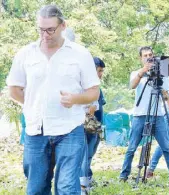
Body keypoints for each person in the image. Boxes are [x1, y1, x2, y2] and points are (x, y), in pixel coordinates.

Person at [6, 5, 100, 195]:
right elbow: (14, 89)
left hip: (70, 129)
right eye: (41, 29)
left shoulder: (80, 54)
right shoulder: (25, 53)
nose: (45, 35)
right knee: (36, 189)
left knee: (66, 187)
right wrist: (35, 104)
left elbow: (93, 93)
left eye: (50, 29)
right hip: (35, 131)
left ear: (63, 26)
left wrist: (75, 99)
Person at [119, 46, 169, 182]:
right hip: (140, 115)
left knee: (166, 147)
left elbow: (167, 96)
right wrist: (143, 71)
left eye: (150, 55)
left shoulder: (162, 75)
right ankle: (123, 176)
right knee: (131, 148)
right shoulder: (136, 73)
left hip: (158, 116)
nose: (148, 57)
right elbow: (132, 85)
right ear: (141, 58)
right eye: (145, 55)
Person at [80, 57, 106, 193]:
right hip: (86, 126)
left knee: (89, 155)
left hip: (95, 126)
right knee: (84, 156)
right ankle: (83, 185)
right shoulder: (85, 85)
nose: (101, 74)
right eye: (99, 70)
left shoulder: (97, 87)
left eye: (102, 71)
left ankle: (87, 179)